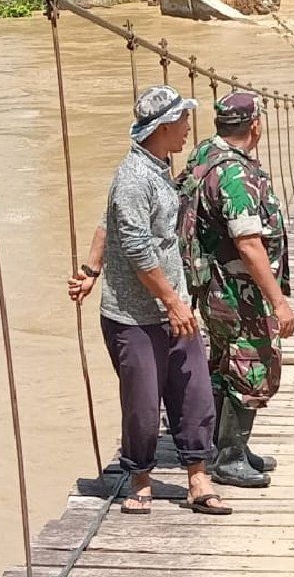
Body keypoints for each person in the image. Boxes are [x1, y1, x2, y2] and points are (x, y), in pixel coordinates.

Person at [68, 85, 230, 516]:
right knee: (142, 403)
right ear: (160, 128)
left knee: (193, 390)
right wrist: (173, 304)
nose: (187, 128)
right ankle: (140, 479)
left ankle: (198, 476)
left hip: (172, 306)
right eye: (181, 121)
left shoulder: (158, 168)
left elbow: (107, 225)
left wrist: (89, 270)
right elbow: (138, 249)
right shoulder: (133, 178)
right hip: (134, 315)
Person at [178, 91, 294, 488]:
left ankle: (226, 446)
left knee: (225, 361)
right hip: (238, 290)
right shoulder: (234, 174)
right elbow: (248, 243)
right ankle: (229, 456)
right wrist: (278, 301)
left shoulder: (203, 156)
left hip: (212, 286)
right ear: (255, 125)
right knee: (254, 365)